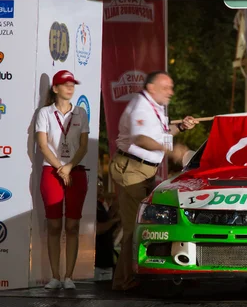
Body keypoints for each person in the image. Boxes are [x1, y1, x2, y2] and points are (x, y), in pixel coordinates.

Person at [109, 71, 197, 291]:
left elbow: (160, 134)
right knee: (134, 227)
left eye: (171, 87)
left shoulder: (156, 107)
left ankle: (132, 276)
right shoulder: (140, 106)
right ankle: (123, 282)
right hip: (132, 169)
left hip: (145, 171)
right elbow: (141, 138)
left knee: (140, 225)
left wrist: (181, 127)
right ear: (151, 88)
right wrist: (170, 150)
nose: (171, 92)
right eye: (166, 87)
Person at [35, 70, 90, 290]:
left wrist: (69, 166)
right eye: (65, 84)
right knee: (54, 225)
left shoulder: (81, 113)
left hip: (75, 171)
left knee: (73, 225)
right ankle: (55, 276)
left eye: (72, 84)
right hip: (52, 171)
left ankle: (69, 277)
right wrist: (60, 168)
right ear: (55, 88)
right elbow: (42, 145)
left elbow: (84, 146)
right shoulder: (45, 113)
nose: (70, 88)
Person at [95, 176, 120, 279]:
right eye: (98, 184)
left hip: (107, 260)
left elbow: (107, 221)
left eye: (102, 184)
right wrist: (115, 220)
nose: (101, 187)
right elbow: (98, 229)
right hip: (96, 263)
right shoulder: (90, 206)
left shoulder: (101, 205)